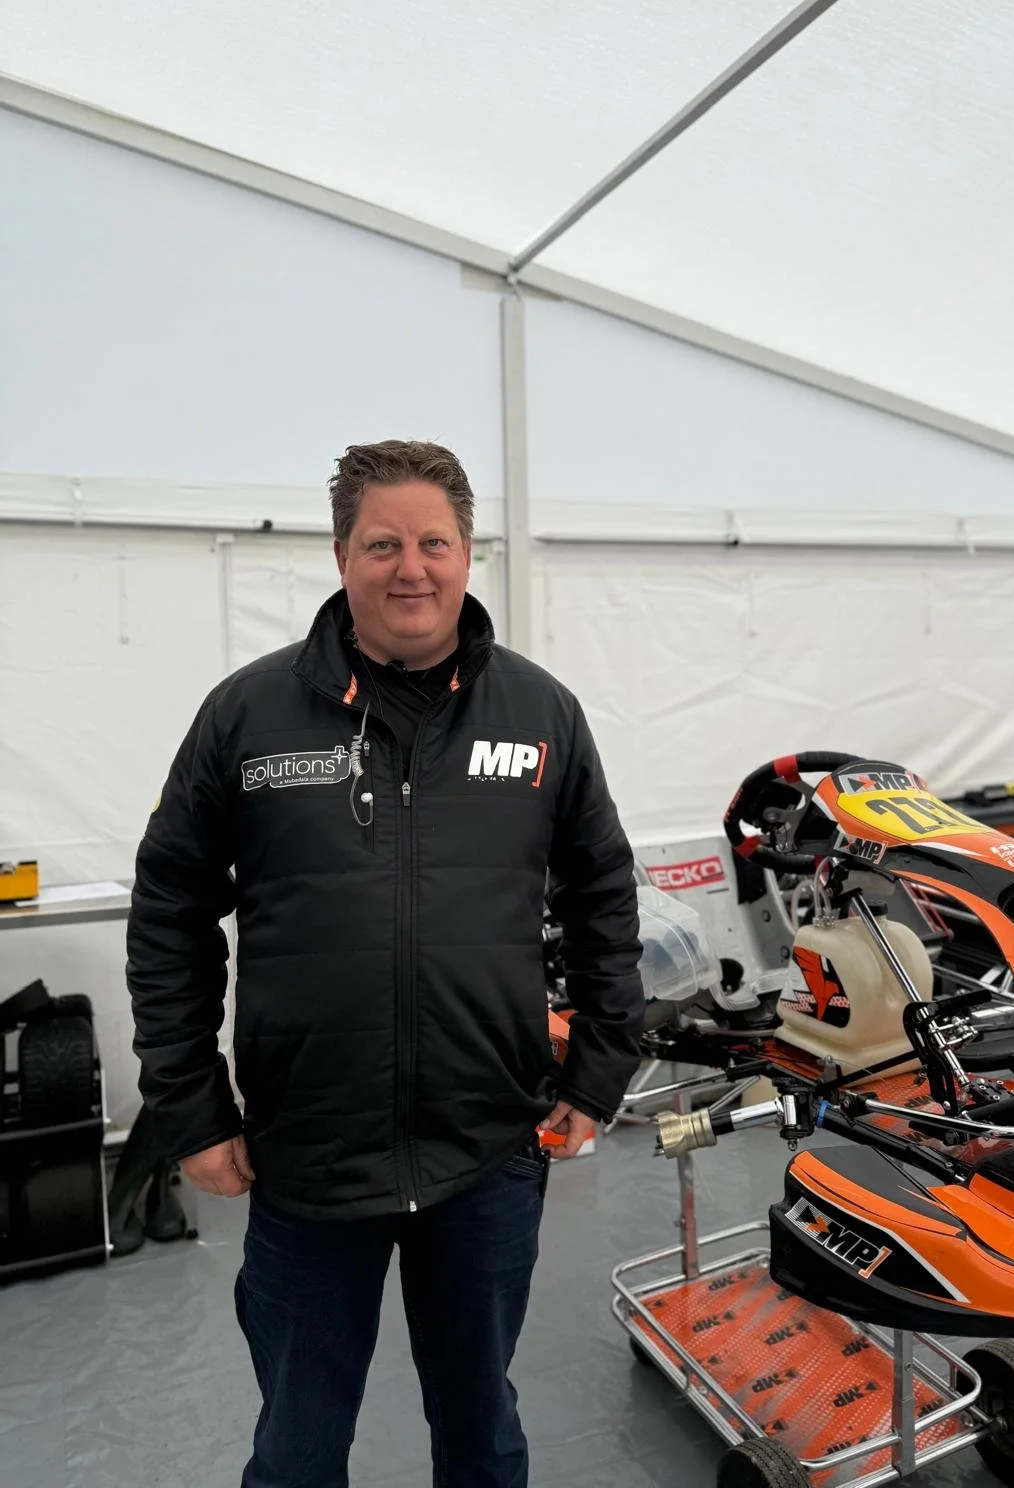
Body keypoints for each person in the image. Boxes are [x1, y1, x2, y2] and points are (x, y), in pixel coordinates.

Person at [126, 439, 644, 1488]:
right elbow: (170, 912)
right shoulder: (247, 714)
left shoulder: (541, 714)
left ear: (467, 554)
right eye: (382, 545)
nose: (412, 568)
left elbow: (603, 893)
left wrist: (599, 1068)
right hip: (308, 1159)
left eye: (433, 543)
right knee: (298, 1449)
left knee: (482, 1432)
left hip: (487, 1150)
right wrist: (193, 1109)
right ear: (341, 556)